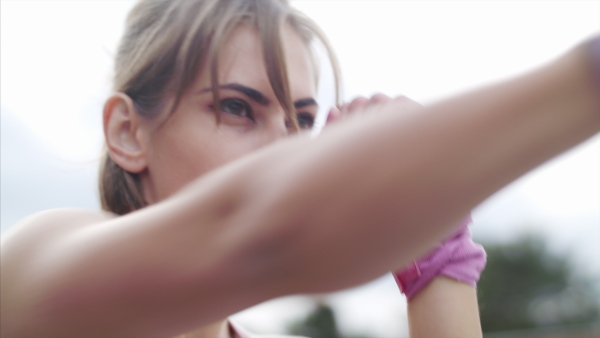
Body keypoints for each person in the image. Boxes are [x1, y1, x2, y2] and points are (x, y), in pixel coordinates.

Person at [1, 0, 598, 337]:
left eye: (300, 120)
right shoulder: (35, 272)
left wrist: (439, 262)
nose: (286, 149)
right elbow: (258, 231)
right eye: (237, 108)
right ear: (128, 132)